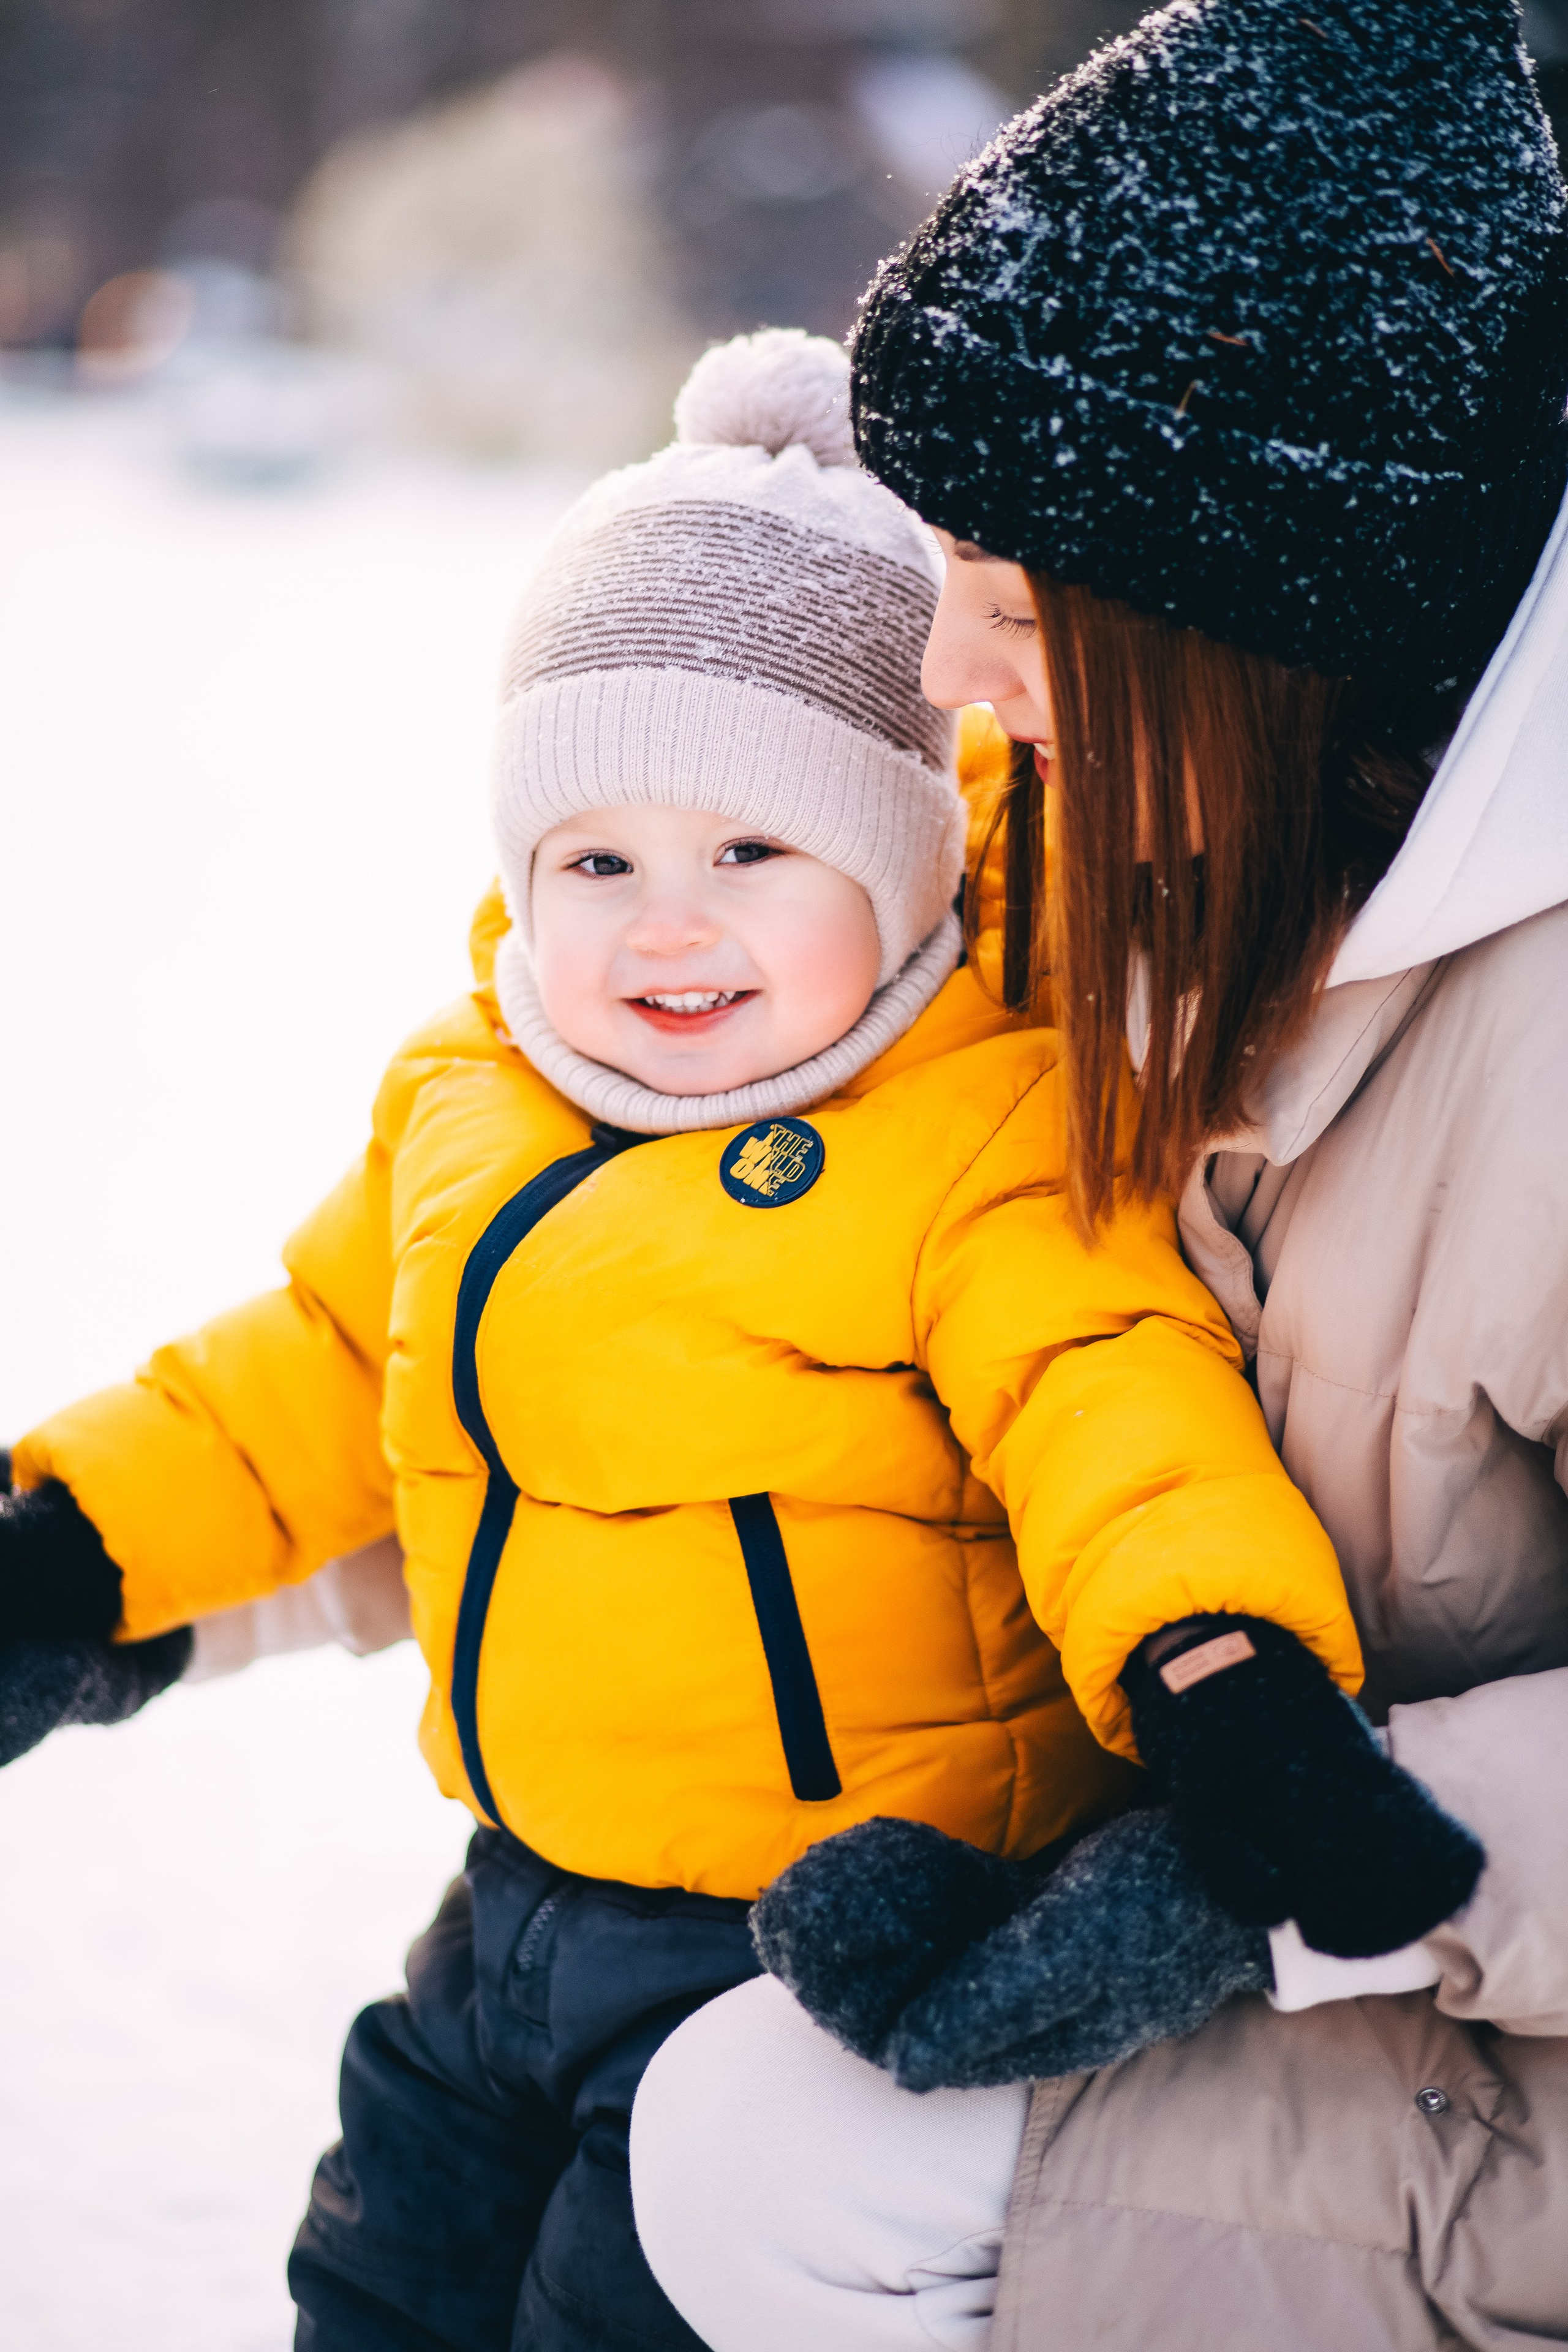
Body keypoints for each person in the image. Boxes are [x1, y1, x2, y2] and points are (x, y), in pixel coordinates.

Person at [0, 325, 1465, 2347]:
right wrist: (70, 1545)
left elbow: (1112, 1420)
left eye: (753, 855)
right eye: (596, 863)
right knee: (377, 2284)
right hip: (508, 1908)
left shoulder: (977, 1139)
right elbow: (315, 1369)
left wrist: (1223, 1681)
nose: (664, 930)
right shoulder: (475, 1099)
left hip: (802, 1959)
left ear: (901, 862)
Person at [628, 6, 1568, 2349]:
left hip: (1490, 1982)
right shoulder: (1167, 848)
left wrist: (1265, 1884)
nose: (947, 665)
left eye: (1027, 614)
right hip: (1326, 1910)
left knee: (772, 2151)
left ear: (1275, 646)